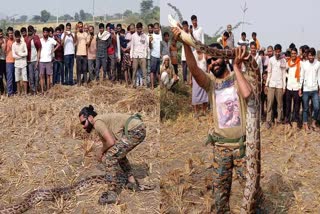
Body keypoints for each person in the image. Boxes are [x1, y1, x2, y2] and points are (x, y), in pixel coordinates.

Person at [172, 26, 254, 213]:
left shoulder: (237, 77)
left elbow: (248, 93)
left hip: (242, 148)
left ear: (224, 57)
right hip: (221, 149)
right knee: (220, 199)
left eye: (215, 59)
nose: (213, 64)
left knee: (252, 195)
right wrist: (185, 44)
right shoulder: (211, 84)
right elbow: (194, 70)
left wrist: (236, 67)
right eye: (209, 62)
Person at [78, 105, 146, 204]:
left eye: (84, 122)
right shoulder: (100, 122)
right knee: (118, 154)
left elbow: (111, 142)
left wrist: (101, 152)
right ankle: (132, 183)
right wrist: (103, 151)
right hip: (138, 128)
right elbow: (110, 144)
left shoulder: (97, 122)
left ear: (90, 117)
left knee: (110, 158)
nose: (83, 126)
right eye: (82, 124)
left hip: (135, 130)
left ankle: (111, 194)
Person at [265, 44, 286, 129]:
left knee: (280, 104)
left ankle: (279, 120)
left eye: (278, 51)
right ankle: (268, 121)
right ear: (274, 51)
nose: (277, 53)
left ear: (280, 51)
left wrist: (284, 86)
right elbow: (269, 73)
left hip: (280, 85)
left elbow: (284, 74)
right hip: (271, 84)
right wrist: (266, 84)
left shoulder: (283, 61)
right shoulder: (271, 60)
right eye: (276, 51)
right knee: (269, 103)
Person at [299, 48, 320, 132]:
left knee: (317, 107)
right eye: (309, 55)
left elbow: (319, 76)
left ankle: (313, 122)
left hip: (315, 89)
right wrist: (300, 88)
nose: (311, 57)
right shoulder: (304, 64)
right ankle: (306, 124)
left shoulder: (318, 64)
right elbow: (302, 76)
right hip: (306, 89)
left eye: (312, 55)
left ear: (314, 56)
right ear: (307, 56)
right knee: (305, 108)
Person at [39, 27, 59, 95]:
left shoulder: (51, 40)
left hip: (48, 60)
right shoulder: (40, 40)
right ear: (42, 33)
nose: (45, 33)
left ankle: (47, 90)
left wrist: (53, 50)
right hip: (41, 60)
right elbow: (38, 49)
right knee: (41, 76)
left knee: (48, 76)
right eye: (44, 32)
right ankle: (42, 90)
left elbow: (58, 44)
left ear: (48, 33)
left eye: (46, 32)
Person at [285, 47, 301, 129]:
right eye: (292, 53)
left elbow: (302, 76)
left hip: (296, 87)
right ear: (290, 54)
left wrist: (300, 87)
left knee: (296, 106)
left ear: (297, 54)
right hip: (289, 87)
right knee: (288, 105)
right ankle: (287, 121)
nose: (293, 55)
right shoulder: (288, 63)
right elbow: (284, 71)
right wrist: (289, 76)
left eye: (295, 53)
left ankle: (295, 121)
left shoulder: (300, 63)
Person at [12, 30, 28, 95]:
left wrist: (18, 54)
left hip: (23, 63)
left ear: (20, 36)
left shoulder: (23, 43)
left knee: (25, 79)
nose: (17, 38)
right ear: (15, 37)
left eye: (18, 37)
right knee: (17, 79)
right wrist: (22, 55)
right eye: (16, 37)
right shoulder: (13, 45)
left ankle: (25, 93)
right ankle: (19, 92)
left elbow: (26, 53)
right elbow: (13, 56)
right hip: (17, 64)